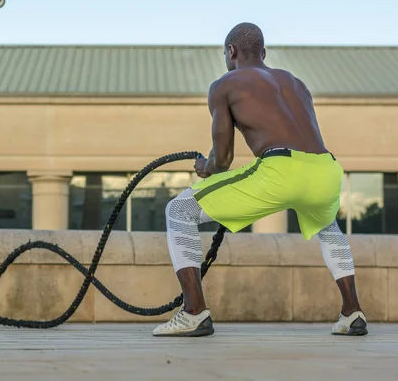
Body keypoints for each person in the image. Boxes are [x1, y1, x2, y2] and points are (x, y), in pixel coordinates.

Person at [152, 22, 367, 338]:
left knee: (179, 211)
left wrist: (205, 166)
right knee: (328, 226)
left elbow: (222, 161)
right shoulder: (295, 83)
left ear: (231, 51)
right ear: (263, 52)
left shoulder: (224, 84)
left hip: (281, 169)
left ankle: (193, 312)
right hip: (326, 168)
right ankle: (352, 311)